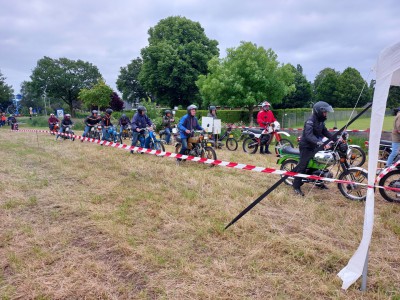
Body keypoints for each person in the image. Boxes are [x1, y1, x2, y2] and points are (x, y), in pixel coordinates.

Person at [292, 101, 334, 196]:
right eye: (324, 112)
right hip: (306, 146)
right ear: (319, 111)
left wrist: (336, 138)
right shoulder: (310, 121)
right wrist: (320, 142)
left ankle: (318, 182)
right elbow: (308, 135)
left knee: (320, 163)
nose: (326, 114)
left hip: (314, 145)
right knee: (303, 165)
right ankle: (296, 186)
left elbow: (326, 132)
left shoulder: (320, 122)